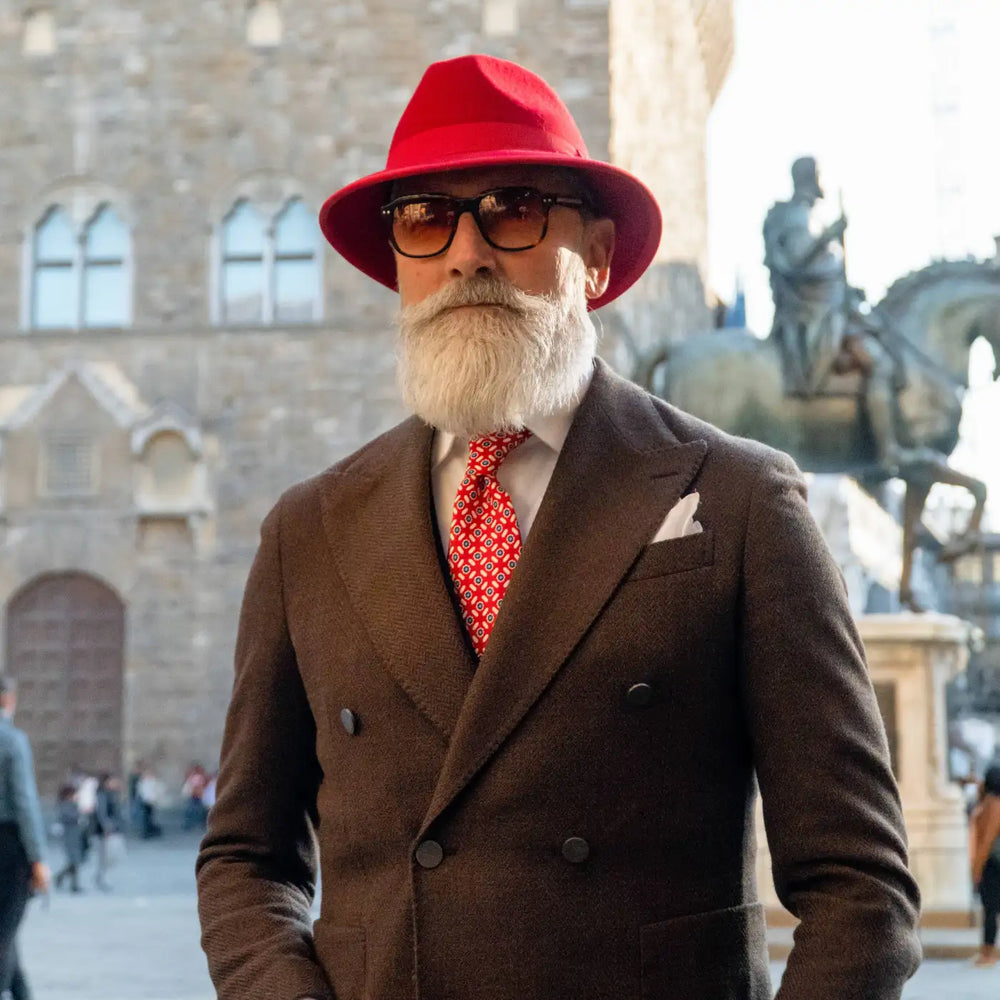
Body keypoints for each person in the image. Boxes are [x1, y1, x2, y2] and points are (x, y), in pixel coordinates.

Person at [197, 55, 921, 1000]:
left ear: (600, 256)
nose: (468, 253)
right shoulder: (308, 531)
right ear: (401, 267)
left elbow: (860, 886)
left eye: (515, 207)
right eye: (426, 218)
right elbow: (247, 857)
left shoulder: (739, 501)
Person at [763, 157, 916, 473]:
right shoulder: (795, 216)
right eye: (820, 176)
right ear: (809, 178)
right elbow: (795, 261)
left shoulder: (809, 216)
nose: (825, 183)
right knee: (879, 362)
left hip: (835, 303)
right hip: (813, 309)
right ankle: (889, 451)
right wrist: (828, 235)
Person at [0, 675, 49, 998]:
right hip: (9, 846)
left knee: (7, 933)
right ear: (8, 700)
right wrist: (38, 858)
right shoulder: (11, 740)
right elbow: (25, 803)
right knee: (4, 933)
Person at [969, 764, 1000, 967]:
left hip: (992, 864)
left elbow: (986, 839)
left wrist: (977, 868)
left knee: (990, 910)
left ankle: (987, 954)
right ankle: (987, 952)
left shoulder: (991, 803)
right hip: (994, 863)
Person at [53, 783, 84, 893]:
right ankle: (74, 884)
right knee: (74, 861)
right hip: (68, 836)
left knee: (74, 861)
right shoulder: (66, 805)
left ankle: (61, 878)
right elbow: (70, 817)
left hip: (74, 836)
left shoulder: (73, 804)